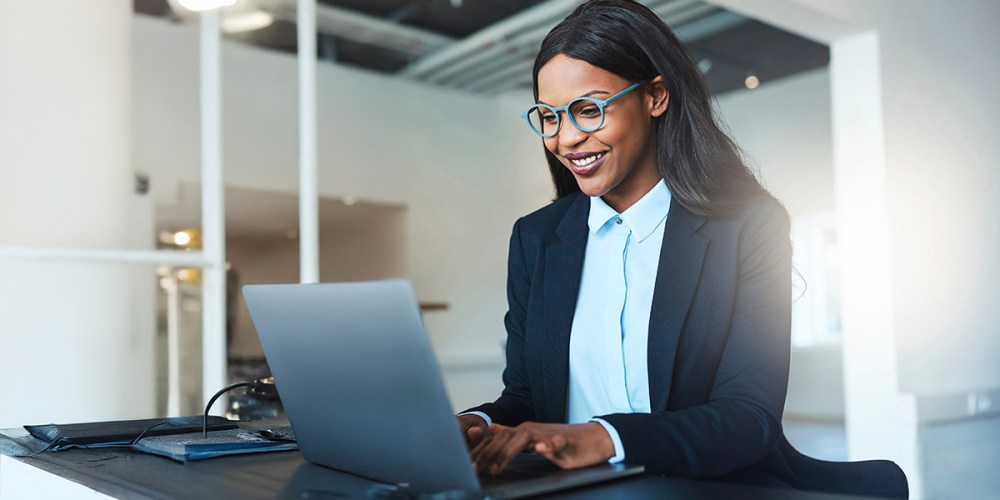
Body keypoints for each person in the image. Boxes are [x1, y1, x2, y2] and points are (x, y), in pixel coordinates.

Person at [457, 0, 795, 485]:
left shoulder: (748, 227)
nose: (566, 138)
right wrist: (479, 423)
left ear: (656, 96)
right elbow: (528, 399)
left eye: (589, 110)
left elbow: (749, 417)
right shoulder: (536, 238)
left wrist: (603, 438)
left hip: (698, 489)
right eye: (549, 117)